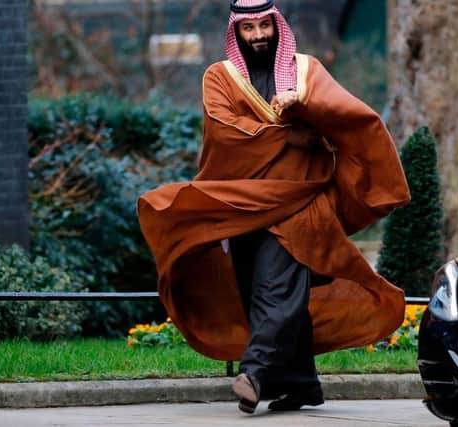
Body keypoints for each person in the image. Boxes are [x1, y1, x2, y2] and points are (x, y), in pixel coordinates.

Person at [137, 0, 411, 414]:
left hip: (302, 203)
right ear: (237, 32)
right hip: (245, 206)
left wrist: (306, 108)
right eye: (249, 29)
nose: (259, 35)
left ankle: (255, 374)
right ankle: (301, 384)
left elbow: (345, 117)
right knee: (254, 288)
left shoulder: (307, 72)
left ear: (277, 25)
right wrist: (294, 130)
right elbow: (228, 133)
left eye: (265, 25)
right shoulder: (219, 78)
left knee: (274, 288)